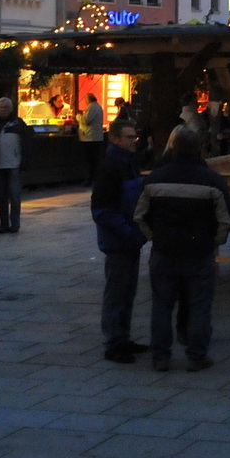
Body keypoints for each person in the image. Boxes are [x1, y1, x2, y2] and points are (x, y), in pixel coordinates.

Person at [134, 124, 230, 372]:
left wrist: (153, 237)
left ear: (173, 147)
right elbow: (225, 219)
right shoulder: (212, 180)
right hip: (199, 252)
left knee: (162, 305)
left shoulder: (155, 178)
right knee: (199, 306)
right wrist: (215, 242)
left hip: (164, 251)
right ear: (199, 149)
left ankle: (160, 356)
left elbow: (139, 215)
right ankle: (197, 355)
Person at [93, 118, 148, 363]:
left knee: (127, 291)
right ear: (114, 138)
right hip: (119, 240)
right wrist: (129, 231)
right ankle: (114, 342)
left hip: (130, 238)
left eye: (134, 137)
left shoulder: (128, 163)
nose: (133, 141)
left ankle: (122, 337)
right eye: (128, 137)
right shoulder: (111, 167)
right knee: (116, 292)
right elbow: (101, 211)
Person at [0, 96, 32, 233]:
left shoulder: (18, 123)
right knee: (1, 197)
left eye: (5, 107)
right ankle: (3, 224)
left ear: (11, 109)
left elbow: (27, 142)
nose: (2, 110)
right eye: (0, 107)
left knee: (14, 196)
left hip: (14, 165)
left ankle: (15, 224)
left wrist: (24, 161)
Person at [80, 93, 106, 187]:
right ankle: (95, 178)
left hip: (90, 137)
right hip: (97, 137)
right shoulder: (98, 107)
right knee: (95, 160)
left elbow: (86, 120)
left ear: (88, 100)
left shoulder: (91, 108)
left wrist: (79, 116)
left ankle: (91, 179)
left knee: (91, 160)